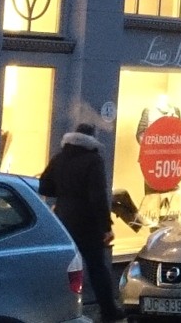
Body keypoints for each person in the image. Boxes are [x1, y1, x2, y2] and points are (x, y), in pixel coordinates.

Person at [41, 123, 124, 323]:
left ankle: (58, 310)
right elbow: (97, 197)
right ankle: (108, 311)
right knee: (97, 268)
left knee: (65, 266)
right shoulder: (93, 160)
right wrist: (106, 227)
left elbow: (44, 186)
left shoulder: (59, 158)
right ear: (92, 140)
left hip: (63, 219)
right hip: (87, 223)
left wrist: (64, 196)